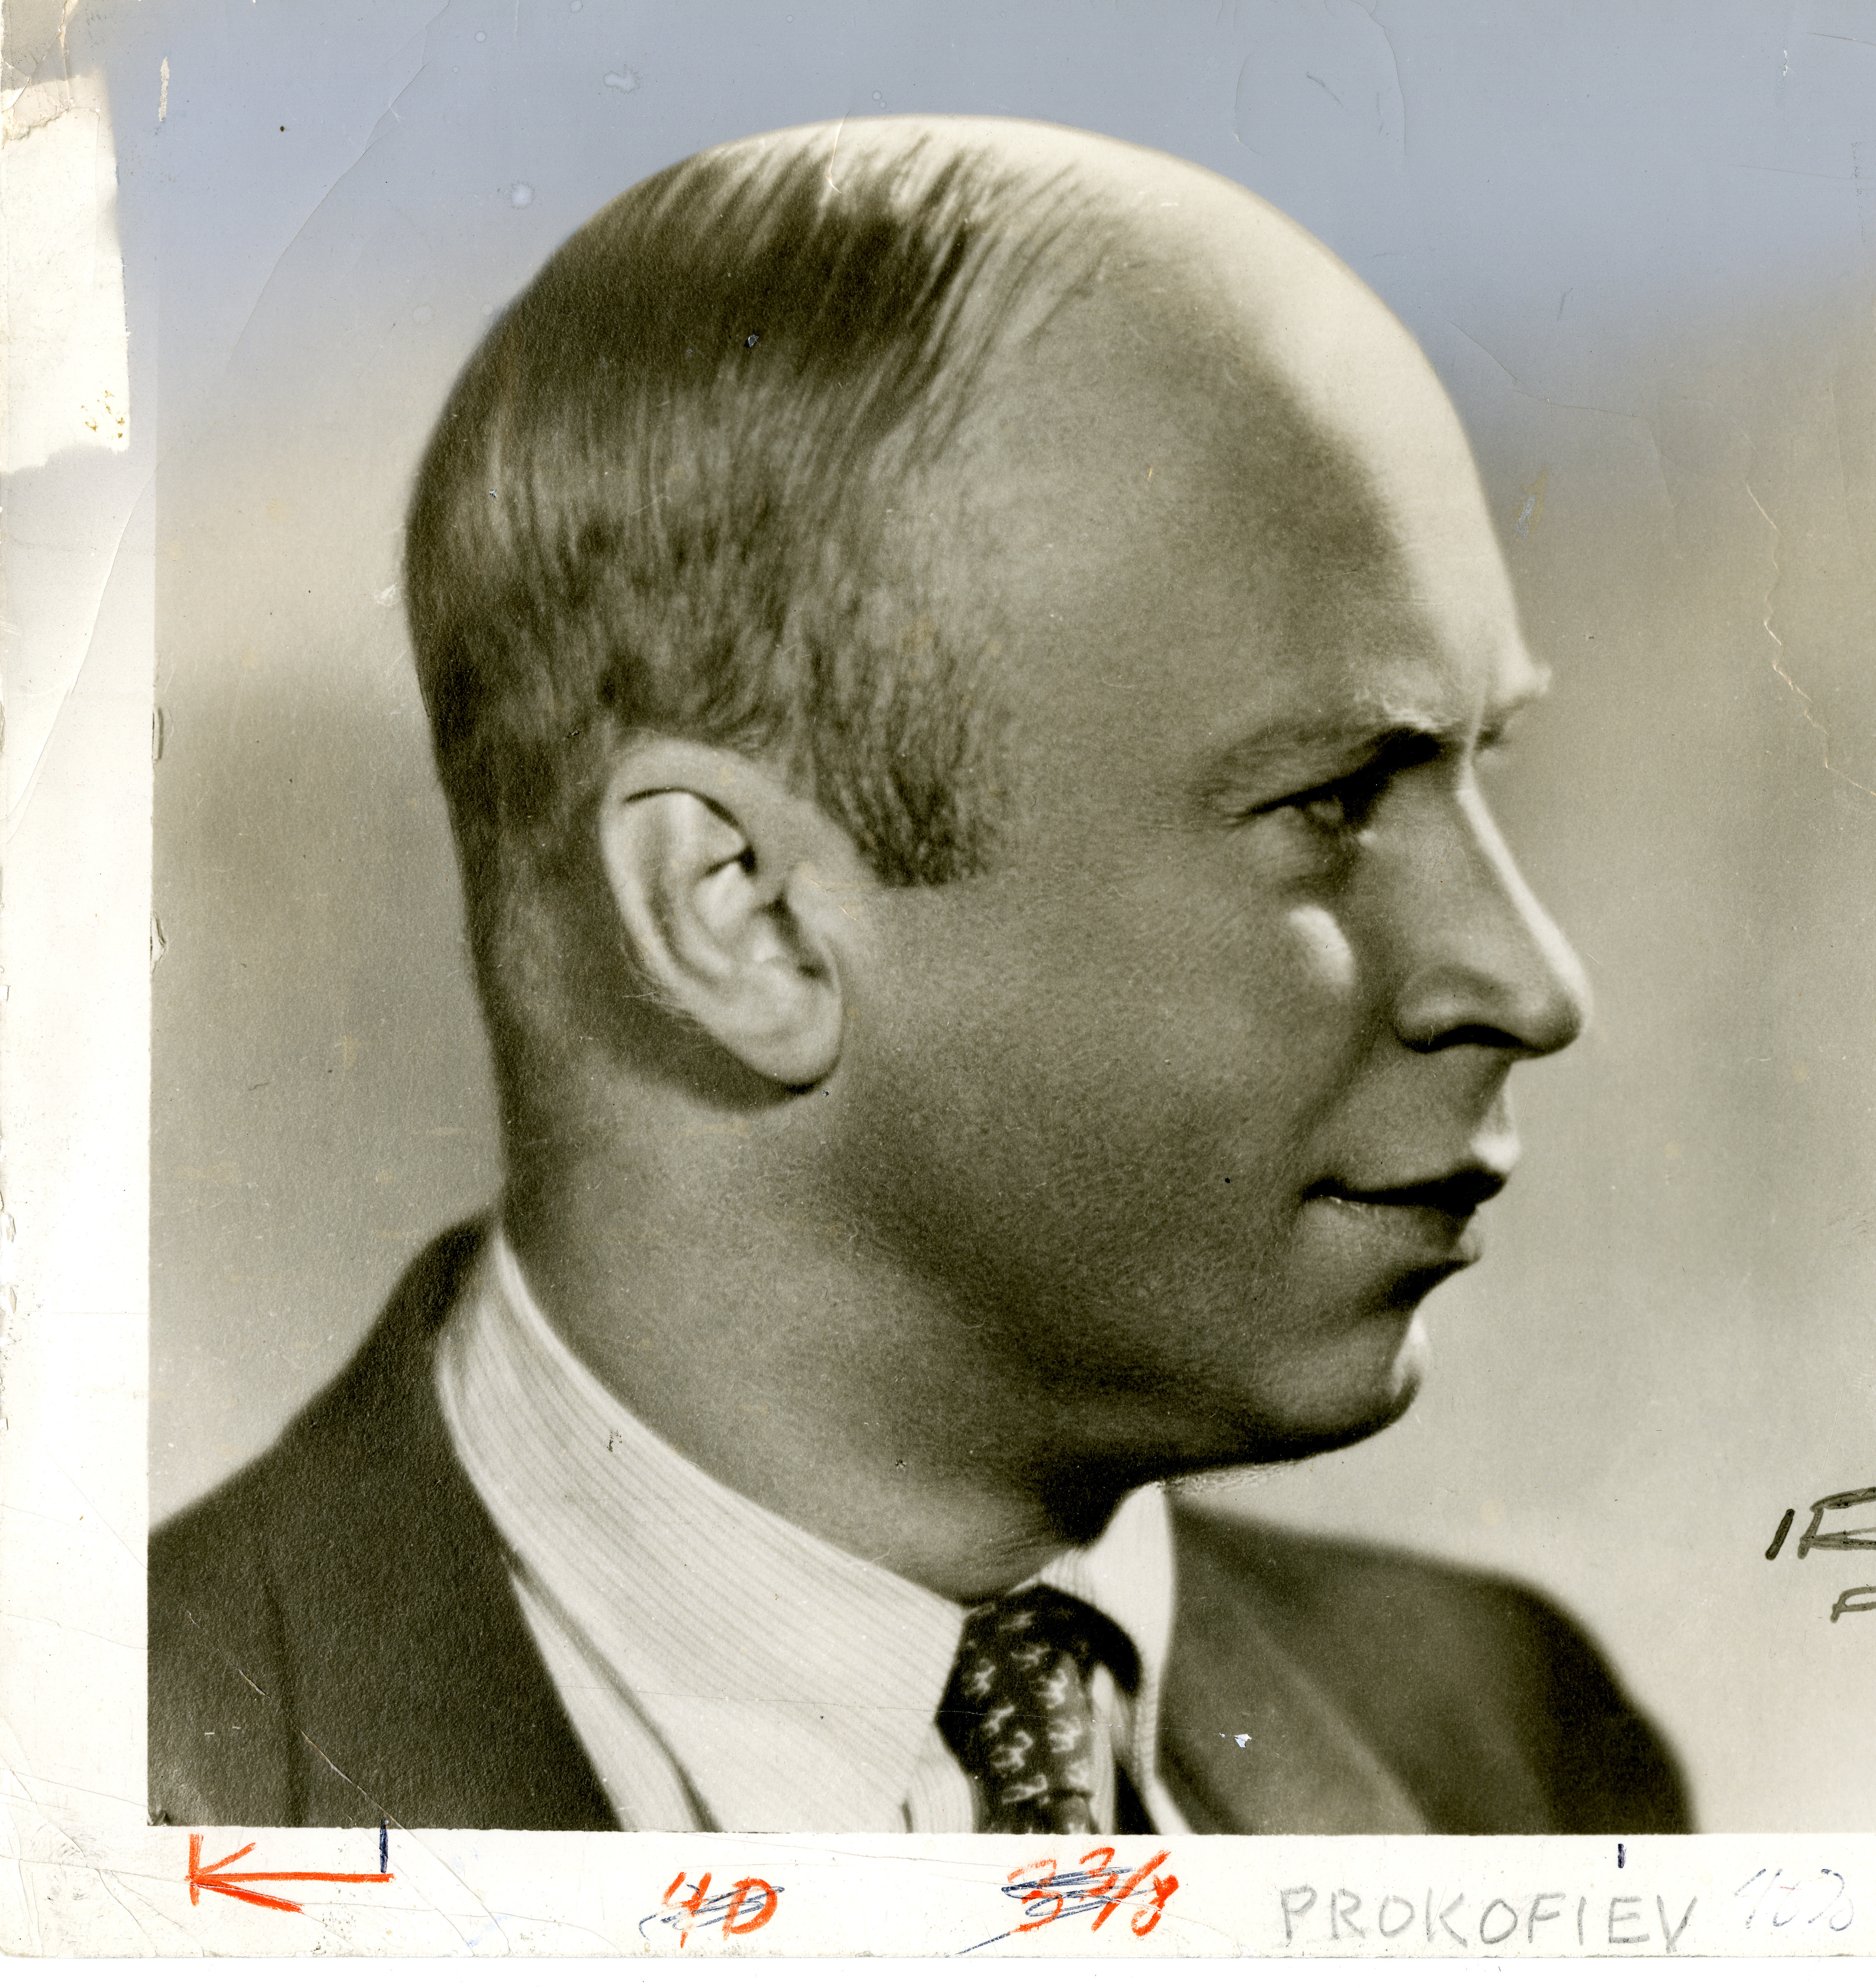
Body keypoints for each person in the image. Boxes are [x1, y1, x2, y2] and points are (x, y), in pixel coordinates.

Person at [149, 116, 1688, 1836]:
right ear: (743, 916)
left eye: (1485, 763)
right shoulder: (93, 1796)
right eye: (1334, 804)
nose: (1534, 986)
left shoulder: (1511, 1745)